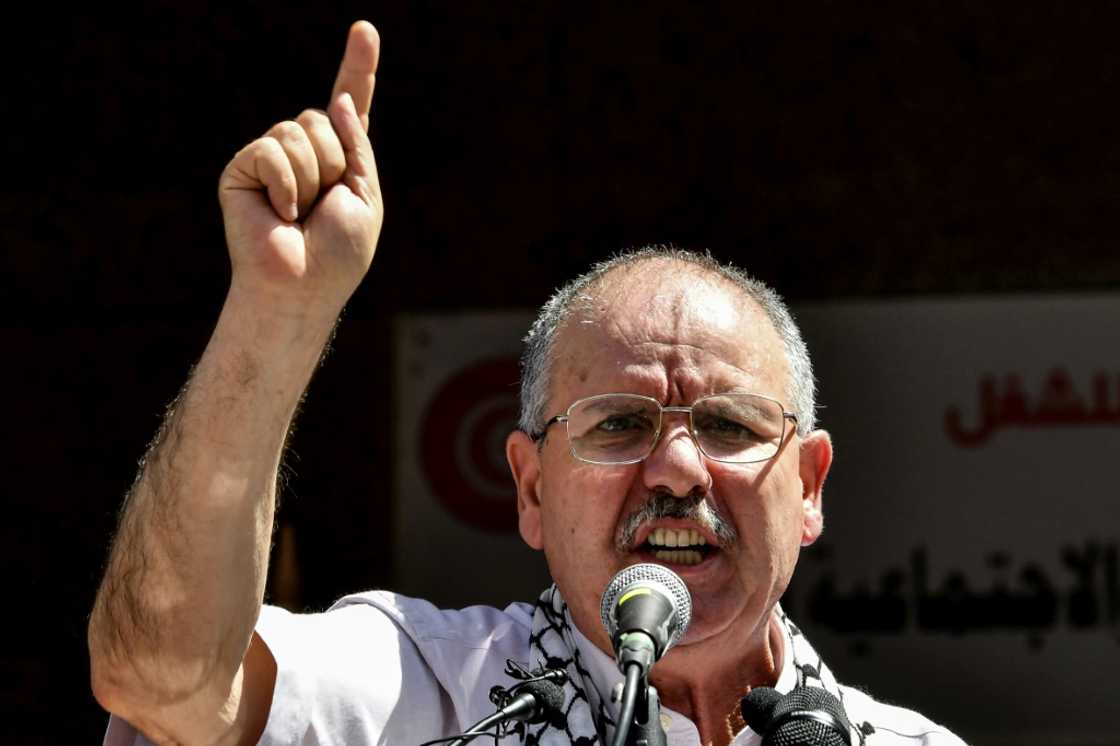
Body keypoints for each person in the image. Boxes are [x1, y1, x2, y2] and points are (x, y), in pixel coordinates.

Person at [89, 20, 965, 746]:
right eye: (618, 424)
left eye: (730, 427)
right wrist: (277, 315)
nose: (676, 471)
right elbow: (163, 678)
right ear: (531, 487)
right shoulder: (422, 696)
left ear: (809, 486)